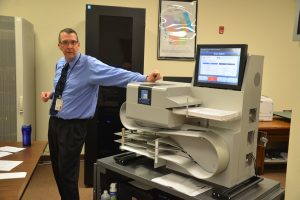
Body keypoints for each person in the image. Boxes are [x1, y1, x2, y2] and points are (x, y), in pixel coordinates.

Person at [40, 28, 161, 200]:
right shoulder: (60, 64)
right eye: (65, 42)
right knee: (57, 170)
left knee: (67, 174)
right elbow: (62, 87)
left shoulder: (89, 65)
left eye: (73, 42)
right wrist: (50, 94)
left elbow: (116, 74)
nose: (70, 46)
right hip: (55, 122)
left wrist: (144, 78)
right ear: (59, 46)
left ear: (78, 44)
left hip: (73, 126)